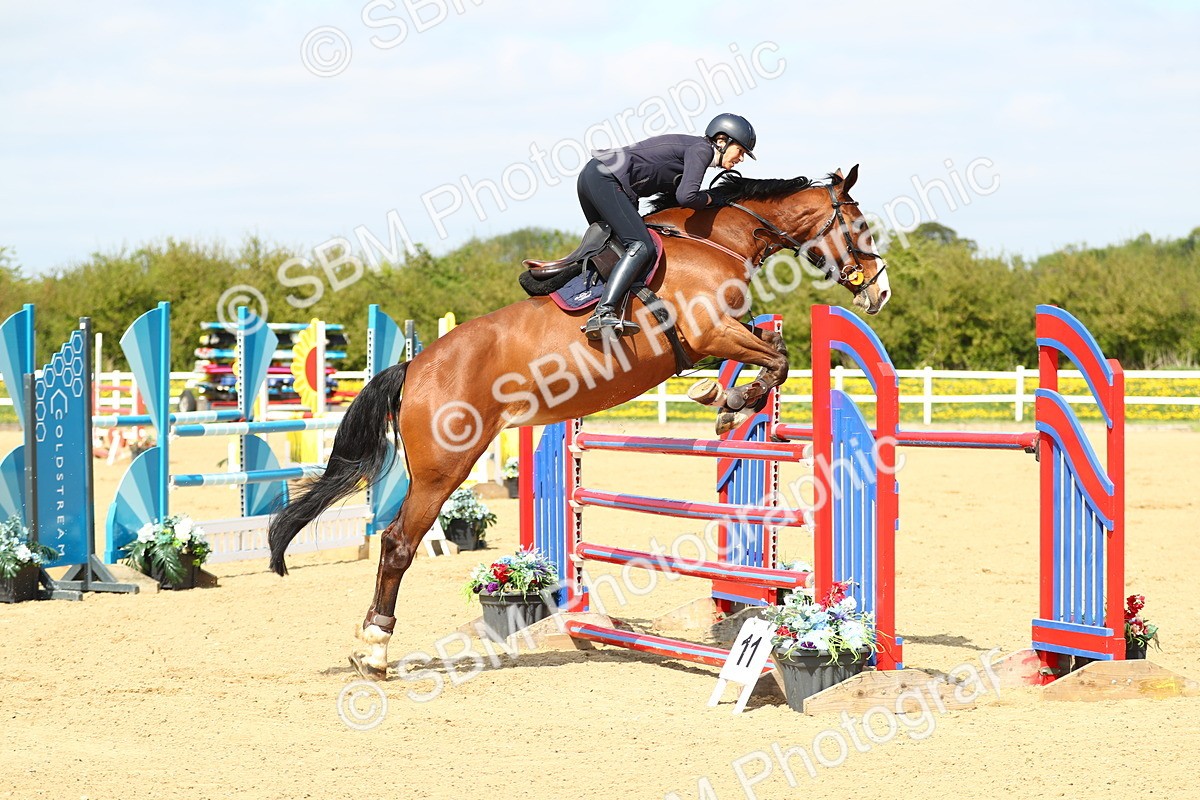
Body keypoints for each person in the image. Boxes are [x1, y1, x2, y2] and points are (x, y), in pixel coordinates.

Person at [572, 113, 757, 339]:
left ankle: (590, 301)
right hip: (605, 179)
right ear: (721, 141)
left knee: (620, 248)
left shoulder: (693, 152)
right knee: (641, 246)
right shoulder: (702, 150)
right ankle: (603, 312)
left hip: (594, 177)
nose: (741, 159)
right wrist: (712, 199)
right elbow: (687, 197)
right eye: (740, 151)